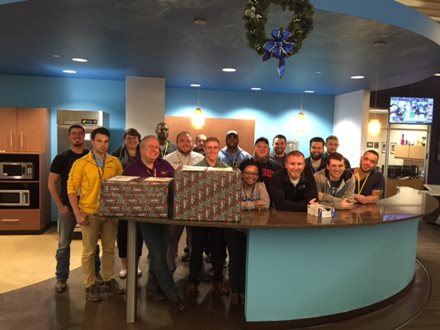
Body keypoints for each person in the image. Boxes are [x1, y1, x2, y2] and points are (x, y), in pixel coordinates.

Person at [123, 135, 185, 312]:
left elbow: (175, 186)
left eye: (157, 148)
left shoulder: (164, 165)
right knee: (158, 256)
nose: (154, 150)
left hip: (164, 218)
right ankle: (173, 295)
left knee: (162, 253)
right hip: (145, 219)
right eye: (150, 147)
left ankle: (152, 286)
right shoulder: (131, 169)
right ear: (141, 149)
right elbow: (128, 196)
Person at [67, 127, 124, 302]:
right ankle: (90, 285)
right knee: (89, 251)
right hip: (89, 213)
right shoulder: (81, 163)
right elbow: (71, 189)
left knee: (109, 250)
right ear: (92, 142)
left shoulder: (115, 162)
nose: (103, 145)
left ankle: (108, 280)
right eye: (99, 141)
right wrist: (77, 213)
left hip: (109, 214)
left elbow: (120, 187)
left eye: (106, 141)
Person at [49, 124, 102, 293]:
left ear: (84, 136)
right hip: (68, 209)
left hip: (89, 207)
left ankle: (96, 275)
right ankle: (61, 278)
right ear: (69, 137)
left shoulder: (92, 157)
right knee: (64, 244)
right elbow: (51, 184)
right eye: (74, 134)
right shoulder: (61, 158)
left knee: (92, 244)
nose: (77, 136)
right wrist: (61, 206)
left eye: (80, 133)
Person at [186, 137, 230, 299]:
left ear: (219, 149)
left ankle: (218, 281)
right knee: (196, 251)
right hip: (199, 218)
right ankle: (192, 282)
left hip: (219, 218)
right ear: (204, 149)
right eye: (209, 147)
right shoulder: (195, 169)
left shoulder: (226, 169)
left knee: (219, 251)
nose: (212, 151)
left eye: (215, 147)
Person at [227, 159, 270, 304]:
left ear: (258, 175)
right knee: (234, 261)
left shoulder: (261, 186)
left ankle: (244, 291)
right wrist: (252, 204)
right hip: (234, 229)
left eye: (254, 173)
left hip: (253, 231)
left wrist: (243, 205)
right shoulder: (234, 184)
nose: (250, 176)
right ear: (242, 173)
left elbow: (266, 204)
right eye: (247, 173)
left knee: (247, 261)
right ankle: (234, 291)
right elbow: (230, 204)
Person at [164, 132, 204, 272]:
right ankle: (168, 271)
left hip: (196, 207)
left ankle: (195, 273)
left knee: (196, 243)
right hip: (175, 207)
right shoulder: (167, 159)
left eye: (188, 141)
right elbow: (164, 184)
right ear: (177, 142)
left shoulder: (200, 158)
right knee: (171, 241)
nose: (185, 144)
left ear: (193, 143)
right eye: (182, 141)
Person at [111, 128, 143, 279]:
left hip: (141, 198)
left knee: (139, 233)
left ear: (139, 140)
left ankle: (135, 265)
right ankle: (124, 265)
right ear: (125, 139)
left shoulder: (143, 152)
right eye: (129, 138)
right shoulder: (117, 152)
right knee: (123, 232)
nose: (132, 141)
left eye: (135, 138)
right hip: (122, 198)